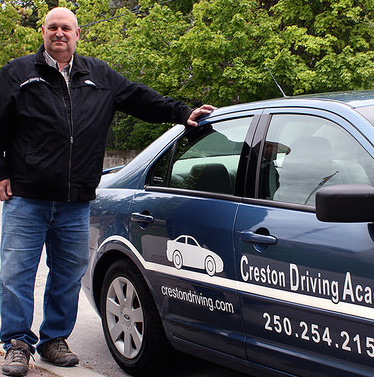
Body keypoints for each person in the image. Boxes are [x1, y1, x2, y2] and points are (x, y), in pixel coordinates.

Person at [0, 7, 215, 377]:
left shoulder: (98, 75)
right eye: (52, 27)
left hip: (76, 199)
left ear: (78, 33)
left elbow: (140, 99)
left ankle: (54, 340)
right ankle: (17, 343)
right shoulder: (18, 74)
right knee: (16, 273)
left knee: (67, 273)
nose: (59, 33)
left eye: (66, 28)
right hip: (27, 196)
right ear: (43, 31)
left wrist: (182, 113)